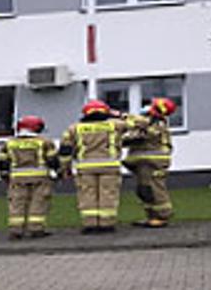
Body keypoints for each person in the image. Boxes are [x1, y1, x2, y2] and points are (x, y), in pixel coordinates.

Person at [57, 100, 125, 234]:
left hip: (85, 167)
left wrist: (65, 168)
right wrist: (119, 114)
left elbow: (65, 150)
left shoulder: (74, 128)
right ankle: (107, 224)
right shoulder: (116, 125)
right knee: (108, 194)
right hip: (109, 166)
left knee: (87, 195)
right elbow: (141, 124)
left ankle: (90, 225)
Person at [0, 115, 60, 240]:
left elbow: (3, 162)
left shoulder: (9, 143)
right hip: (40, 178)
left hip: (17, 178)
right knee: (38, 202)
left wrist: (4, 175)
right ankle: (36, 229)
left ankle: (16, 231)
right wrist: (59, 172)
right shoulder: (44, 142)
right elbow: (52, 160)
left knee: (17, 203)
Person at [122, 98, 178, 228]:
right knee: (145, 190)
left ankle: (162, 216)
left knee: (155, 188)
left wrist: (123, 118)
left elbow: (143, 135)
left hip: (154, 163)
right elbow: (136, 137)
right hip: (145, 163)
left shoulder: (158, 124)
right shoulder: (151, 123)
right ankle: (151, 215)